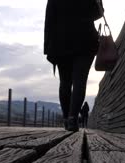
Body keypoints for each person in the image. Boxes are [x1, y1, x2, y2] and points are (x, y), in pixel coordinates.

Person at [44, 0, 103, 131]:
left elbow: (49, 19)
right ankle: (73, 118)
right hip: (85, 41)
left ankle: (66, 118)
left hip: (60, 43)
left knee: (65, 82)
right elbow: (98, 13)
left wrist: (48, 47)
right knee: (80, 81)